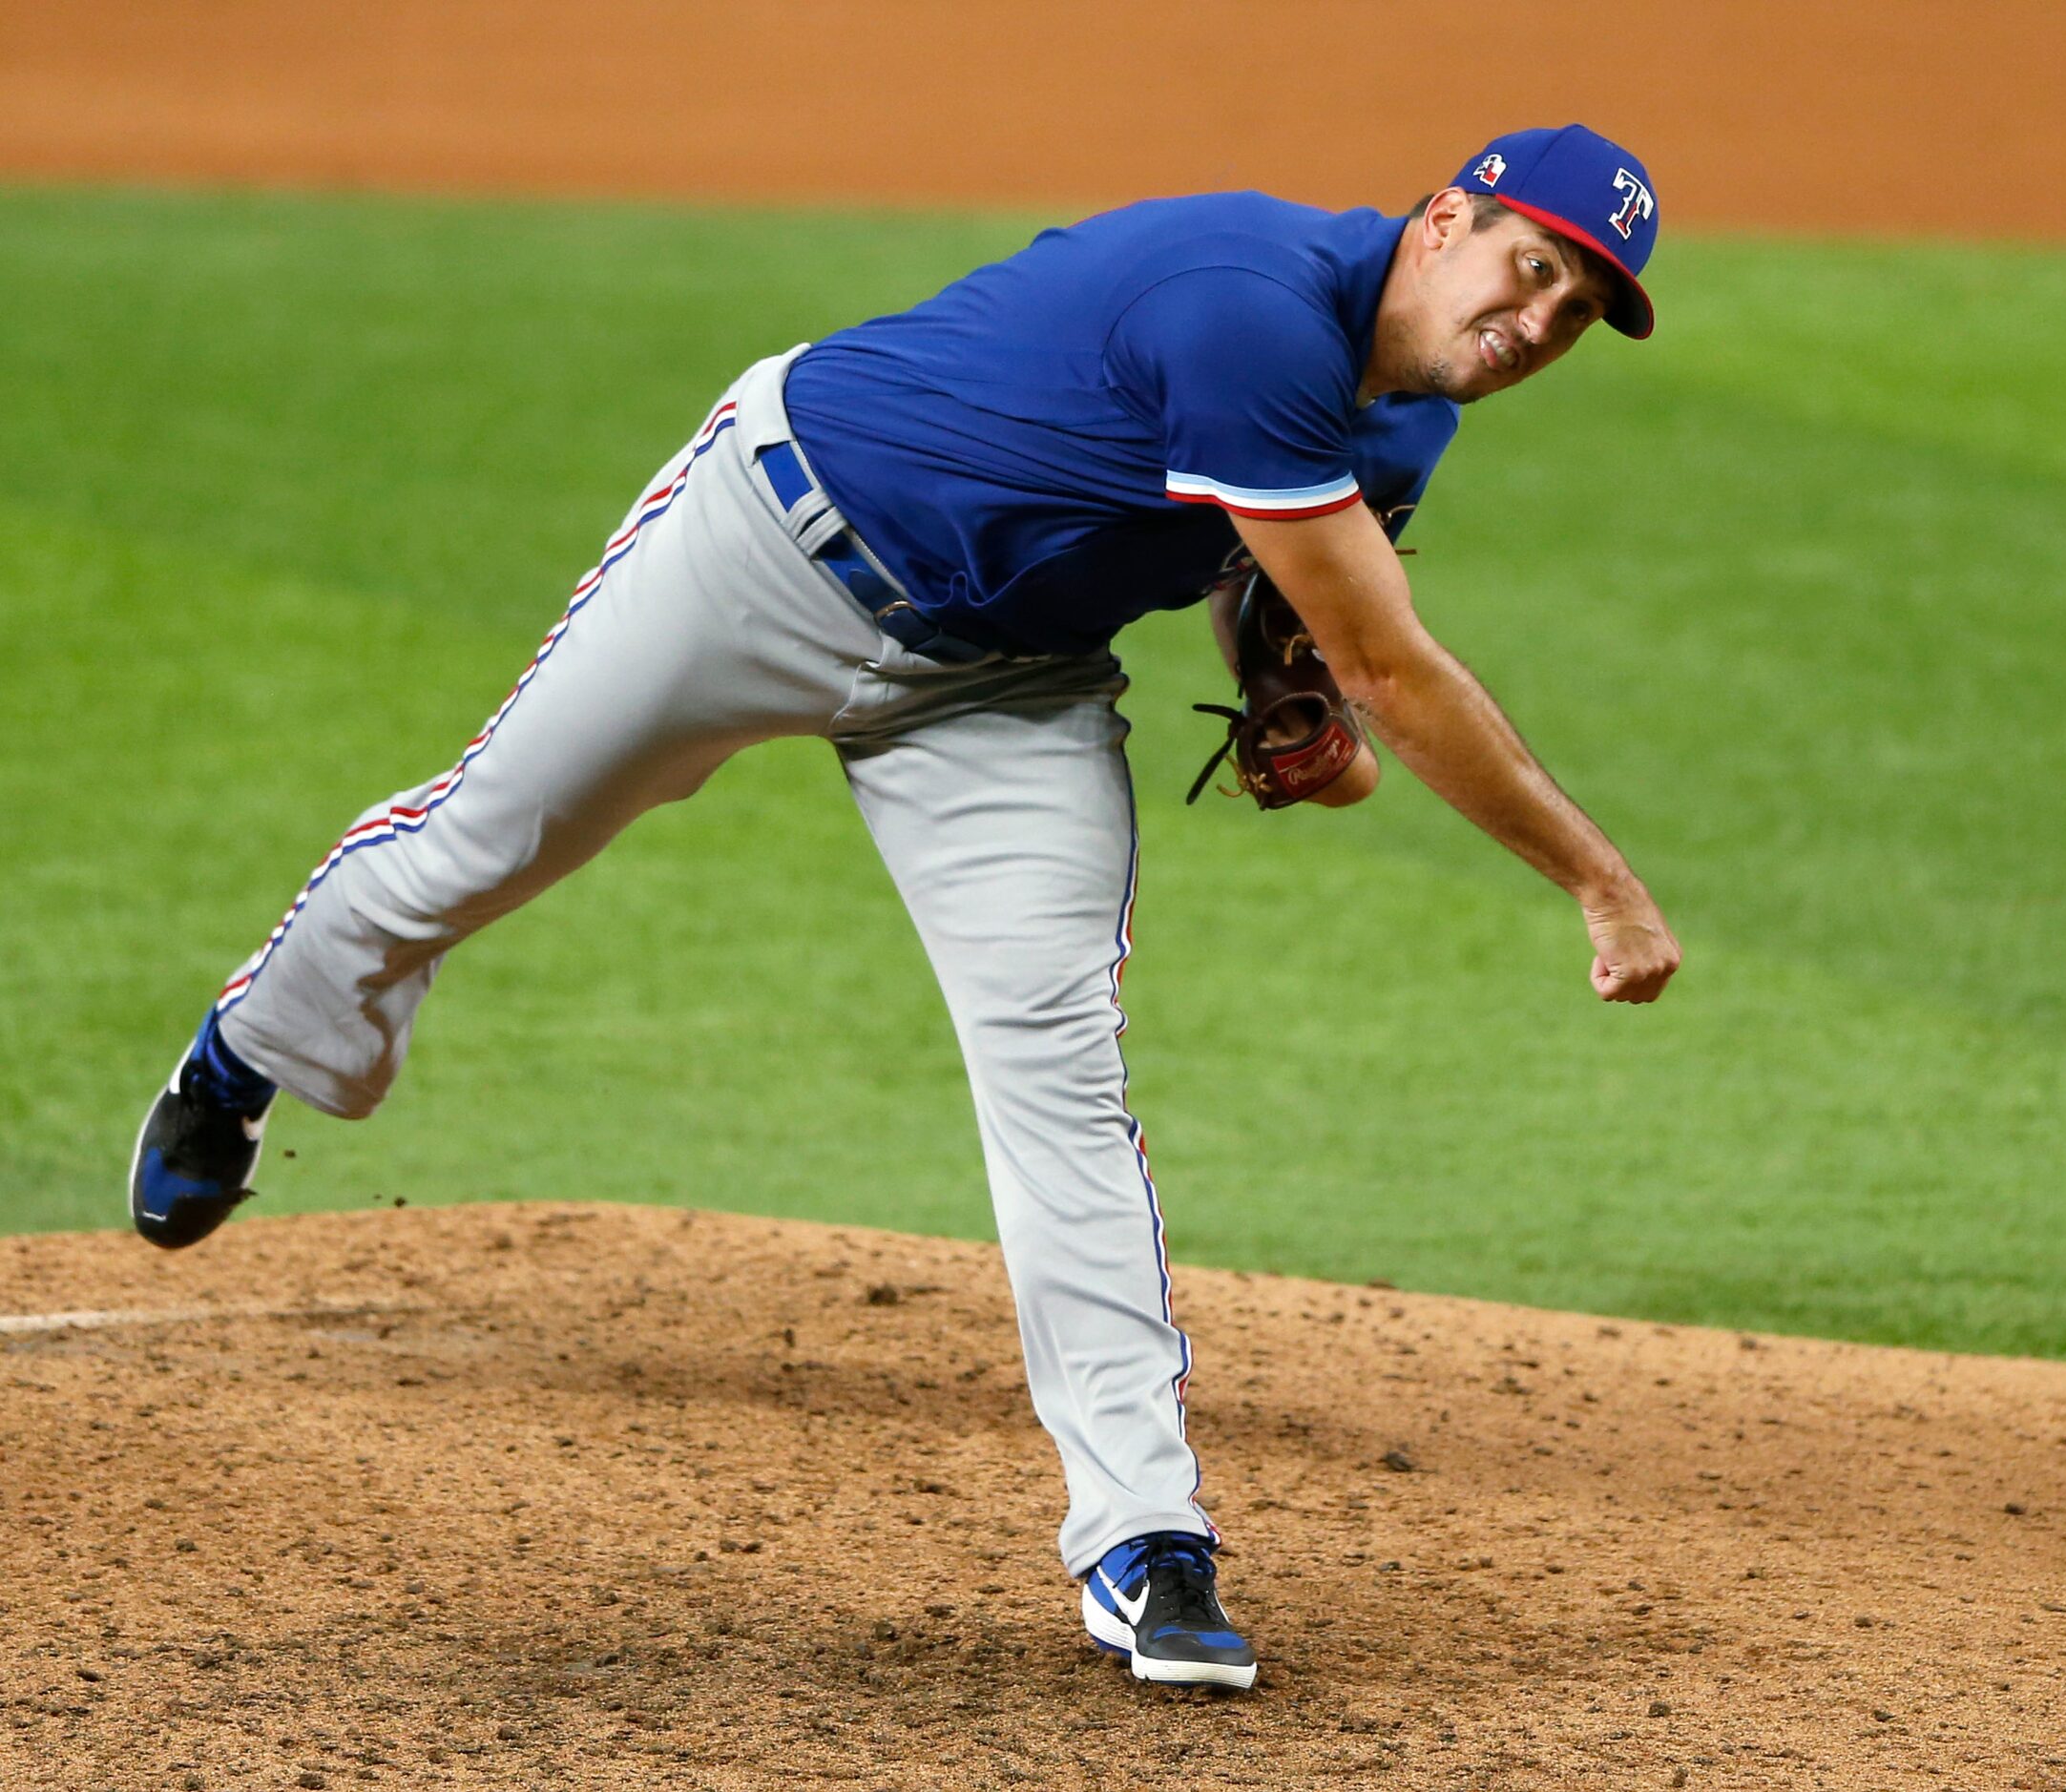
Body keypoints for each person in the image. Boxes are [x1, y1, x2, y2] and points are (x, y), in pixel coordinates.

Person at [126, 124, 1681, 1691]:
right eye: (1529, 266)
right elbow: (1388, 665)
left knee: (1061, 1067)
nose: (1536, 320)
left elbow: (1266, 579)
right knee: (482, 845)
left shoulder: (1405, 423)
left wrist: (1271, 672)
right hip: (768, 548)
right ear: (1440, 220)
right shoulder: (1249, 304)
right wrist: (1597, 884)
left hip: (1006, 690)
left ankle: (1149, 1539)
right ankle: (251, 1052)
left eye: (1576, 312)